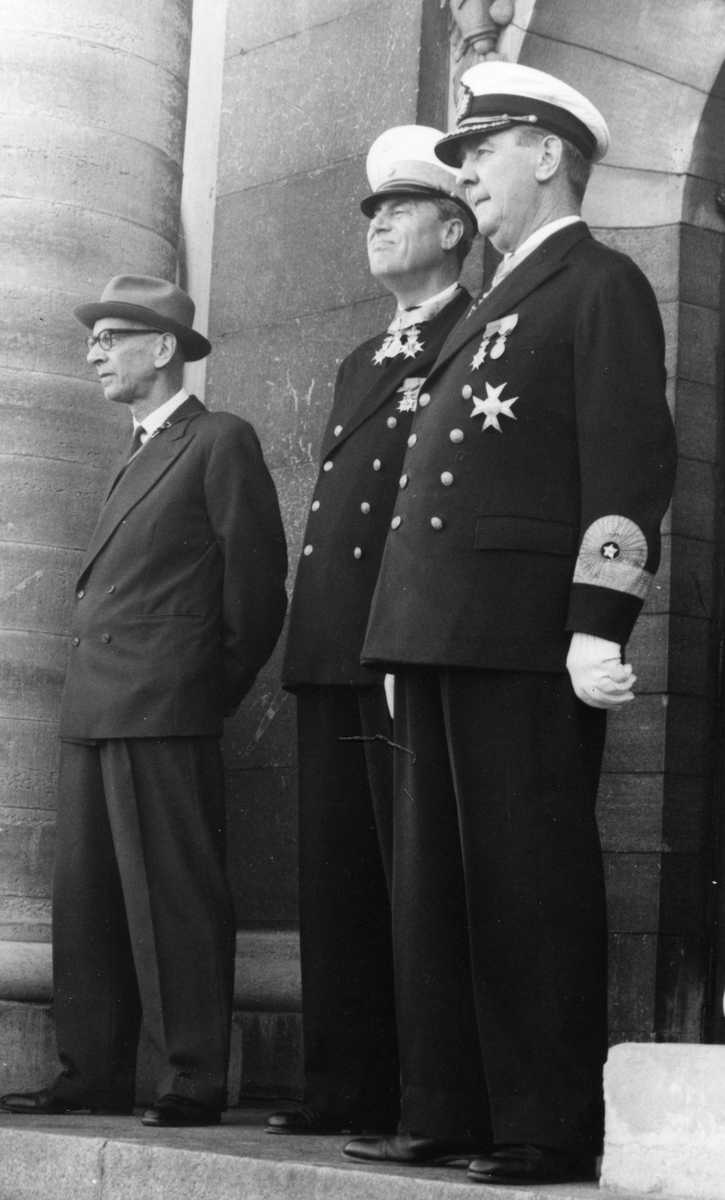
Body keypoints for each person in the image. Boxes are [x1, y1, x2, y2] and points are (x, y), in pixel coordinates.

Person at [345, 63, 677, 1184]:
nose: (468, 176)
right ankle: (447, 1108)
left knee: (525, 883)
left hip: (529, 634)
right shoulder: (494, 299)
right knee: (436, 890)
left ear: (547, 155)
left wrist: (598, 622)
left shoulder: (601, 284)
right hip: (440, 632)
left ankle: (544, 1122)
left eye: (481, 153)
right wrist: (400, 638)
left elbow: (630, 465)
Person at [0, 276, 288, 1127]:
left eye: (110, 338)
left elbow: (256, 592)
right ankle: (90, 1072)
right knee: (86, 898)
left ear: (162, 348)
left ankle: (192, 1077)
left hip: (163, 704)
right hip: (96, 705)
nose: (92, 353)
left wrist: (198, 690)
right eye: (92, 340)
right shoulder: (136, 449)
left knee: (174, 897)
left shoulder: (218, 439)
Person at [268, 127, 474, 1136]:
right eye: (373, 213)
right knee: (339, 875)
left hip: (402, 640)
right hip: (334, 641)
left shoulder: (477, 332)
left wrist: (395, 638)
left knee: (414, 877)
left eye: (400, 209)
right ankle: (343, 1086)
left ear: (456, 225)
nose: (379, 224)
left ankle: (422, 1095)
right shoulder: (362, 359)